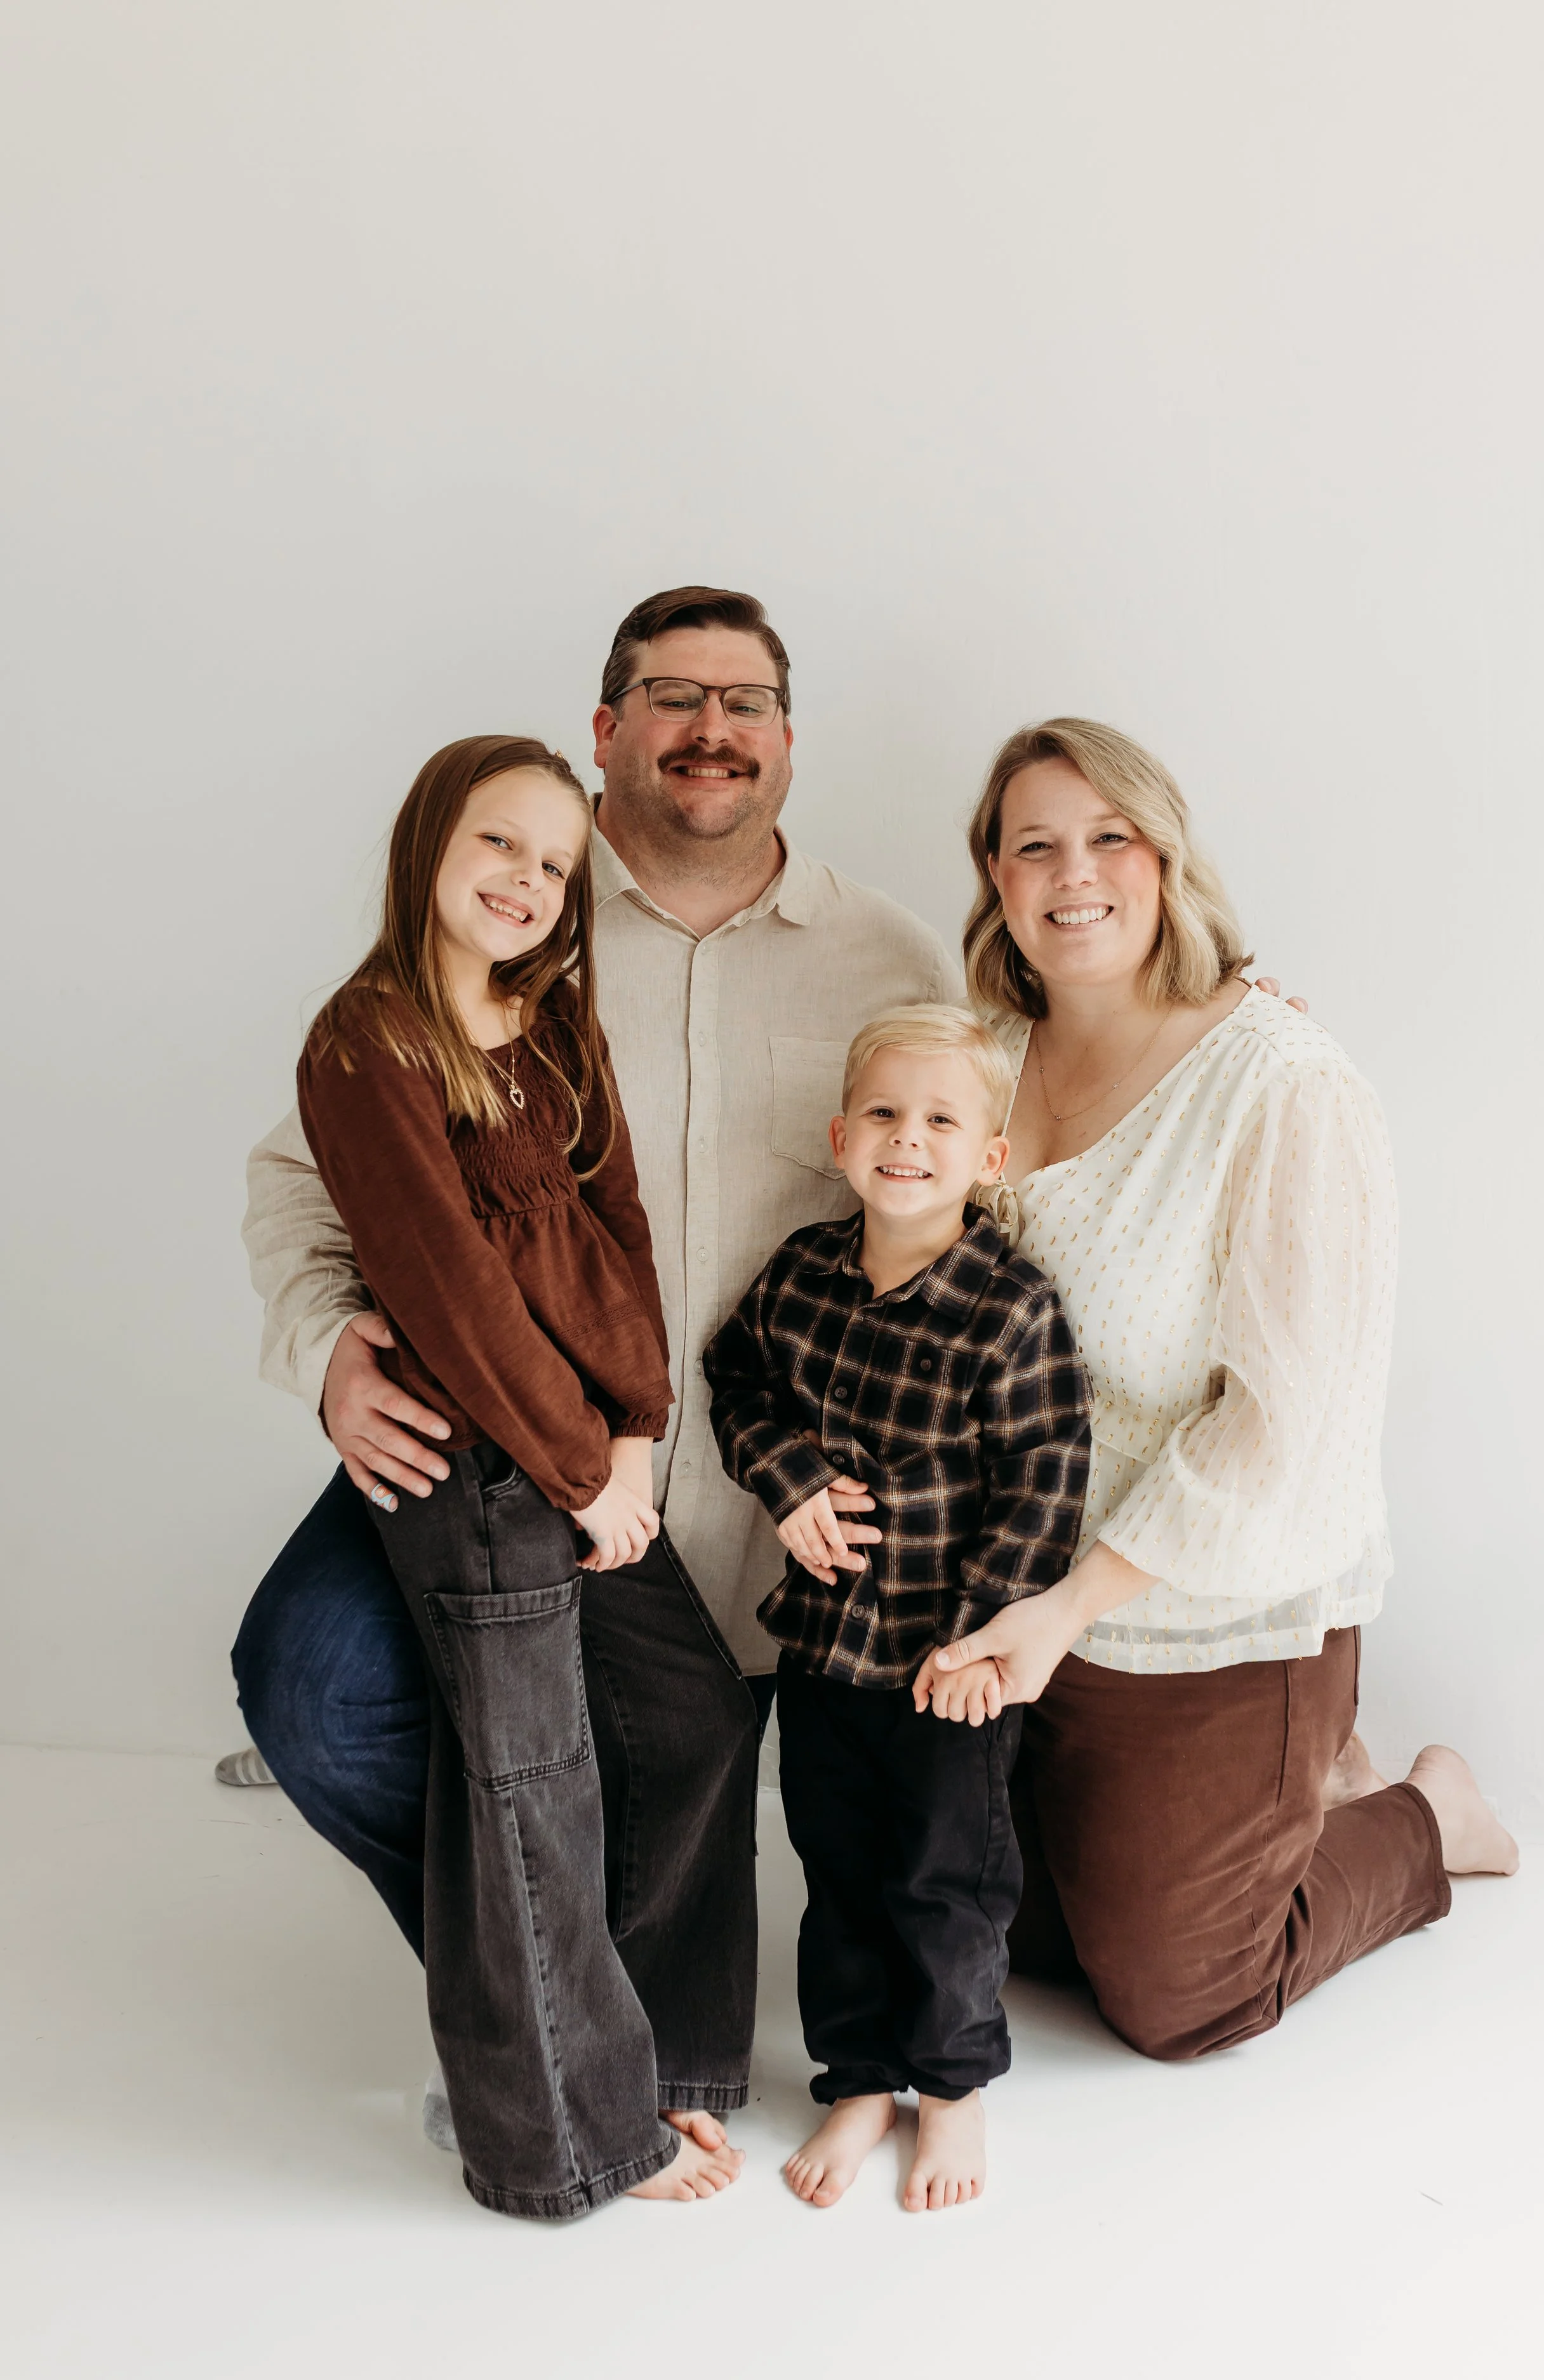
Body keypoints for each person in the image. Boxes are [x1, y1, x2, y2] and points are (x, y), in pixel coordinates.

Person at [230, 588, 954, 2131]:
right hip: (492, 1447)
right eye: (671, 696)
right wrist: (326, 1353)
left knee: (741, 1767)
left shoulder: (884, 951)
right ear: (606, 729)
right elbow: (306, 1179)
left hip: (762, 1493)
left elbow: (1001, 1138)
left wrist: (1217, 1004)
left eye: (745, 701)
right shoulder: (506, 930)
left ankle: (586, 2013)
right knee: (313, 1688)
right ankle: (532, 1981)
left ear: (784, 738)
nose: (711, 729)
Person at [911, 718, 1517, 2063]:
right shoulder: (977, 1064)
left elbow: (1286, 1430)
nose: (1075, 876)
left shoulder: (1281, 1086)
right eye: (1034, 847)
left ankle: (1420, 1814)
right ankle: (1284, 1800)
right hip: (1017, 1586)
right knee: (991, 1943)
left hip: (1196, 1602)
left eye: (1108, 838)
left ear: (1166, 858)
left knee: (1178, 1999)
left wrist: (1068, 1609)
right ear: (994, 882)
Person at [291, 731, 757, 2216]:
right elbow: (450, 1299)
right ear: (431, 838)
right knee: (529, 1790)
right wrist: (577, 1474)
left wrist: (634, 1434)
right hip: (480, 1470)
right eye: (499, 843)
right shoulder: (368, 1044)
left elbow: (620, 1229)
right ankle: (571, 2142)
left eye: (554, 865)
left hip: (584, 1455)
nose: (525, 882)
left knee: (686, 1711)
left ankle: (662, 2058)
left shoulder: (552, 1027)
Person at [705, 1005, 1089, 2211]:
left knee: (945, 1882)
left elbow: (1045, 1481)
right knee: (839, 1867)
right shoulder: (802, 1275)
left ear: (990, 1156)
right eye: (881, 1111)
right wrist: (789, 1479)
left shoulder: (1011, 1309)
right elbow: (733, 1380)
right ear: (838, 1135)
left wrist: (984, 1638)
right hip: (823, 1653)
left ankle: (954, 2087)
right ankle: (861, 2072)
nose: (906, 1137)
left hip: (947, 1669)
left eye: (939, 1118)